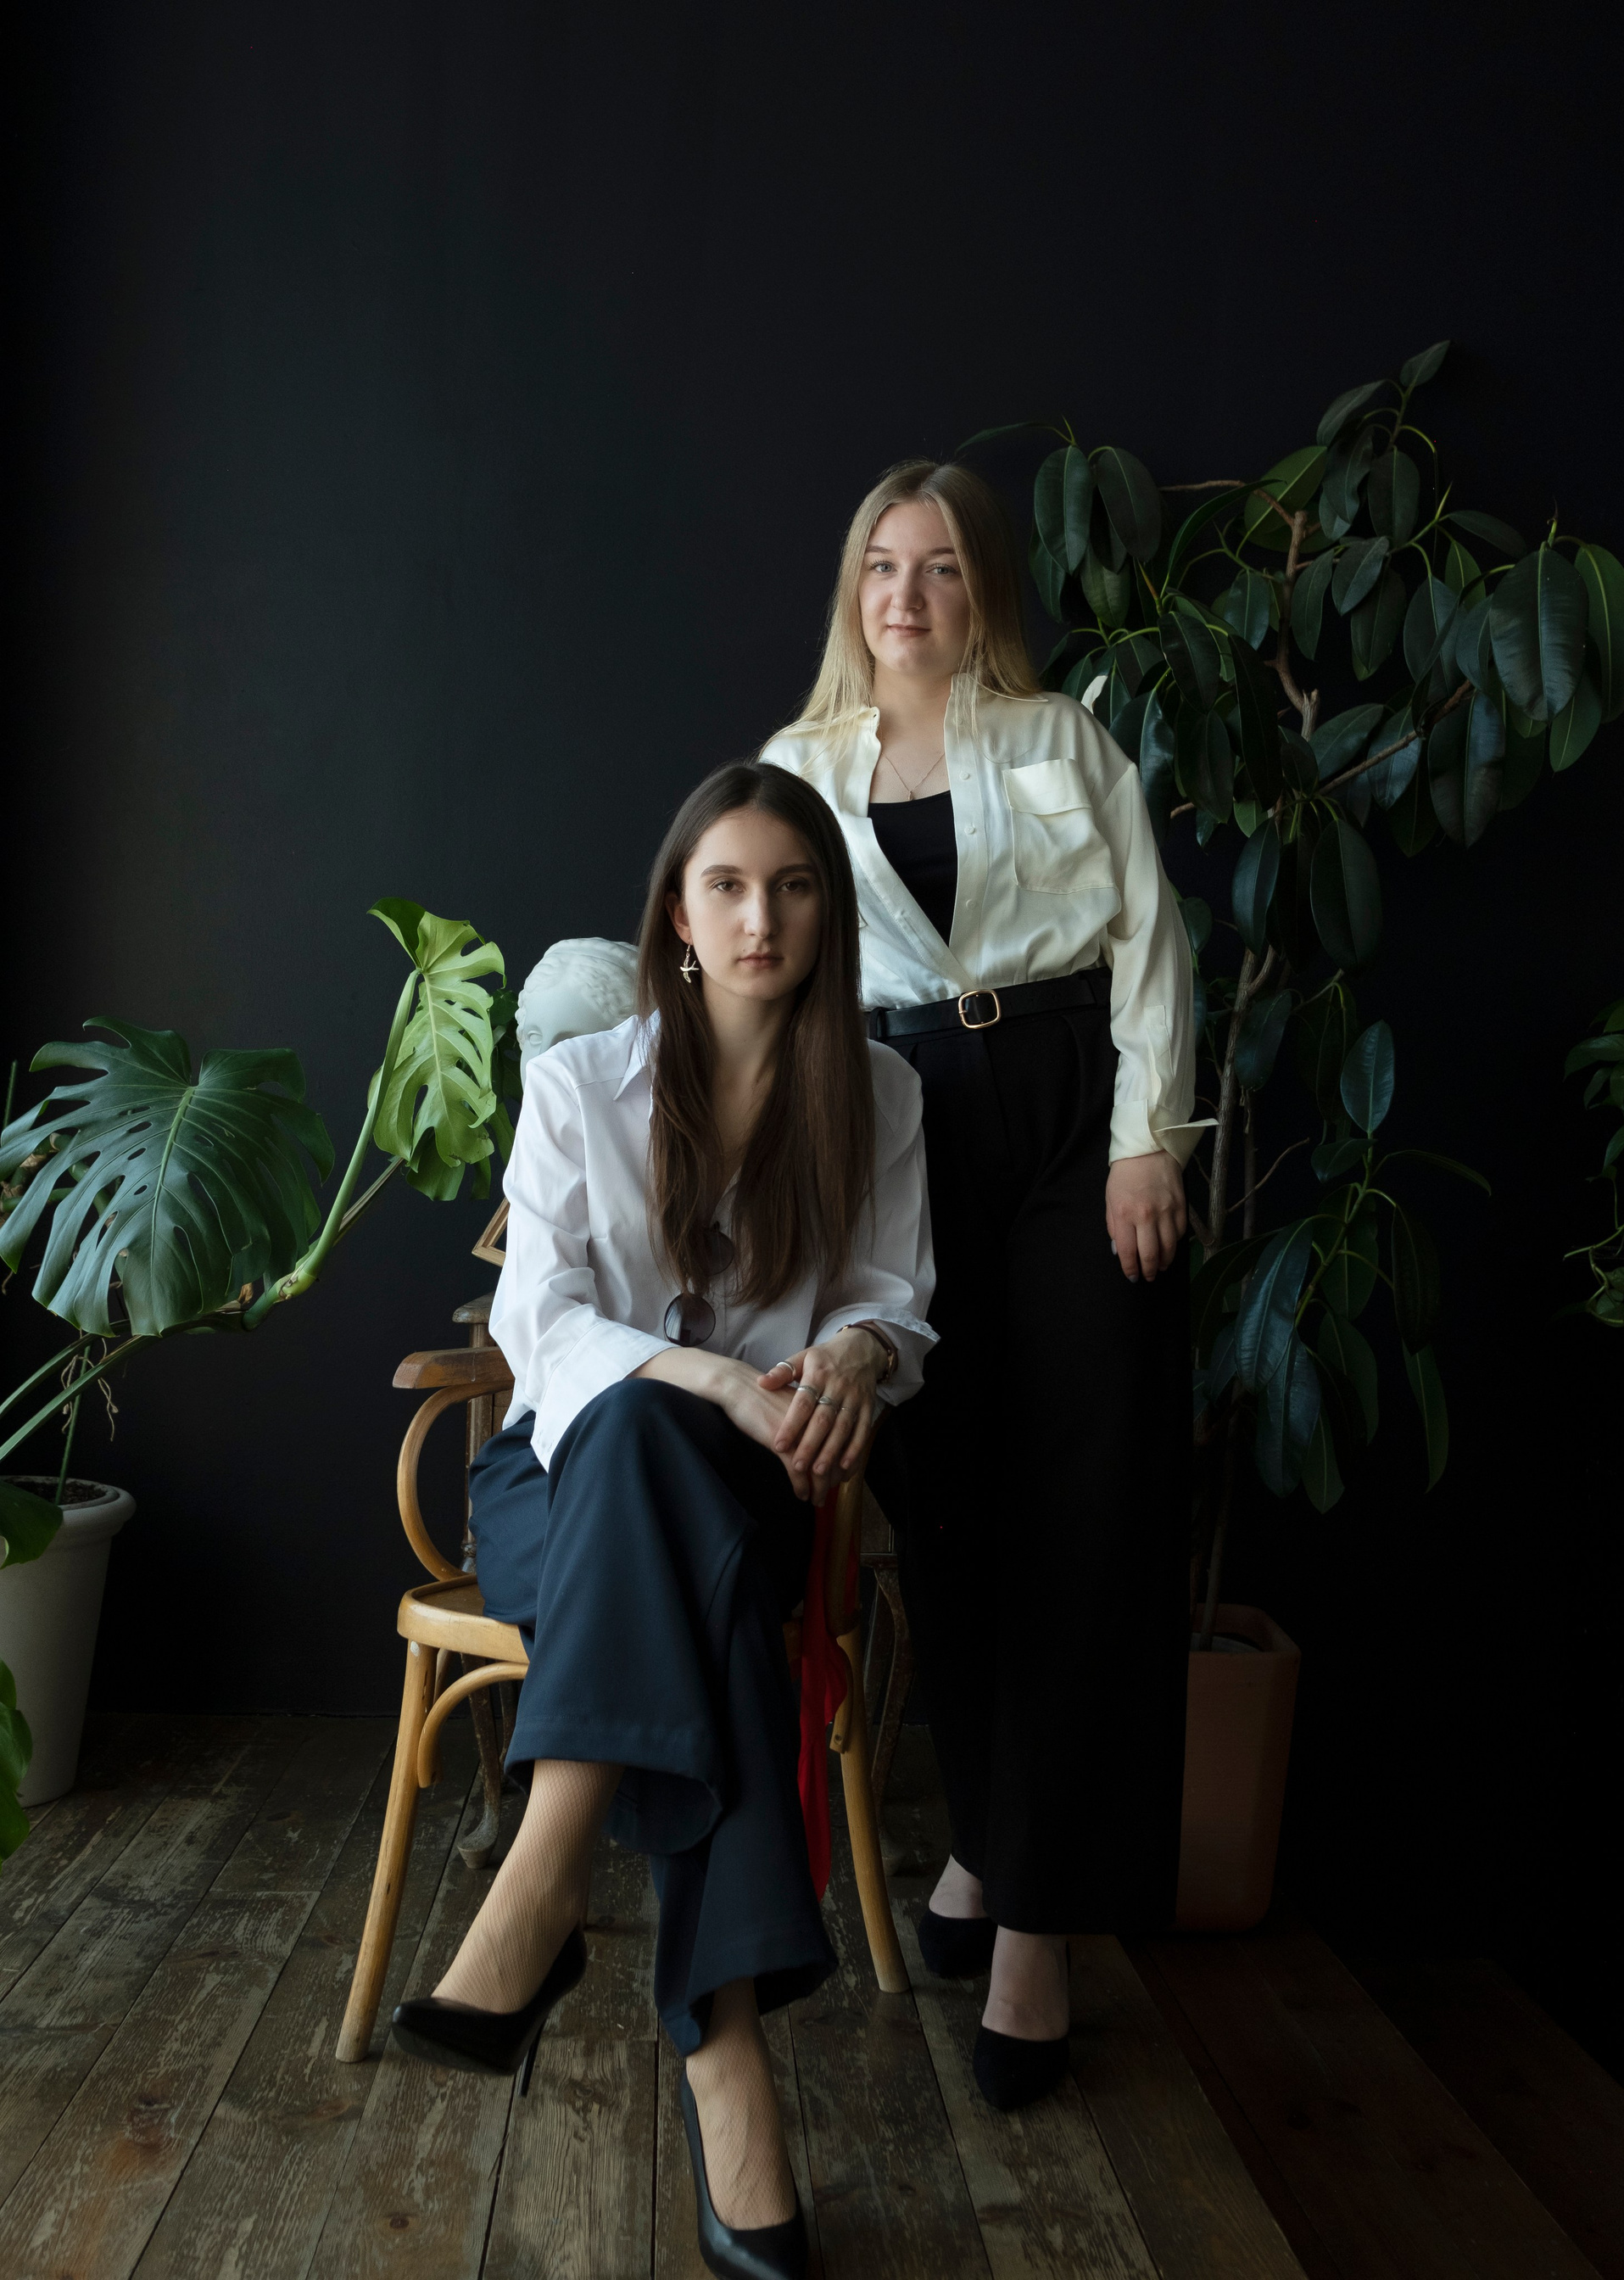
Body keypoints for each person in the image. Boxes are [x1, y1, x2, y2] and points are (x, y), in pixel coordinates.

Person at [390, 762, 935, 2280]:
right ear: (679, 919)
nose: (763, 918)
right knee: (648, 1449)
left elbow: (896, 1300)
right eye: (728, 887)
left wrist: (854, 1354)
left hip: (765, 1492)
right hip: (560, 1484)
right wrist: (711, 1379)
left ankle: (547, 1871)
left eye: (795, 887)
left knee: (681, 1499)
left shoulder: (881, 1095)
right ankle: (727, 2062)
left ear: (827, 915)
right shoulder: (582, 1085)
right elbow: (541, 1320)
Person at [761, 460, 1203, 2112]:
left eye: (941, 566)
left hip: (1077, 1117)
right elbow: (753, 969)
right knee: (946, 1505)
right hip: (899, 1125)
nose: (908, 595)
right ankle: (991, 1842)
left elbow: (1152, 941)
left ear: (983, 591)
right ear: (853, 589)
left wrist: (1149, 1141)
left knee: (1083, 1504)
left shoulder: (1062, 738)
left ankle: (1034, 1922)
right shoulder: (797, 768)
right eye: (883, 564)